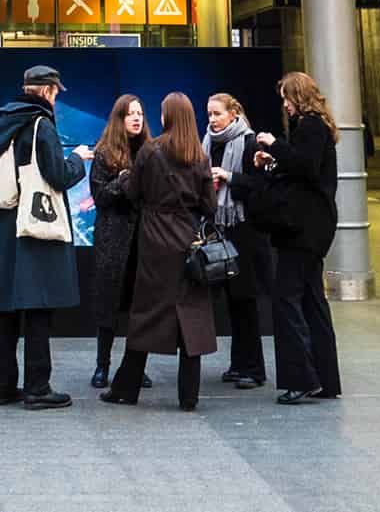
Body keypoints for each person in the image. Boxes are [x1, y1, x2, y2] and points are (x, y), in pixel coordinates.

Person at [0, 62, 89, 409]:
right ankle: (38, 388)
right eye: (56, 92)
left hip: (4, 223)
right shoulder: (41, 125)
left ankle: (3, 387)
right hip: (34, 227)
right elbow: (57, 174)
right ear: (48, 91)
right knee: (38, 306)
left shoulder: (4, 122)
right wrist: (77, 158)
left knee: (8, 310)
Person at [101, 91, 219, 410]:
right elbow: (210, 206)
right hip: (188, 243)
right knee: (191, 318)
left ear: (166, 117)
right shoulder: (199, 156)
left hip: (154, 243)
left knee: (145, 315)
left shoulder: (150, 151)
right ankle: (189, 396)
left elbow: (134, 192)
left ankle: (126, 388)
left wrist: (127, 180)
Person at [254, 70, 343, 404]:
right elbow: (304, 168)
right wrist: (275, 158)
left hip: (302, 230)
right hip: (314, 229)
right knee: (312, 301)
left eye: (287, 99)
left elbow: (304, 166)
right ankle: (324, 379)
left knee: (286, 299)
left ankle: (301, 378)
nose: (286, 107)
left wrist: (273, 144)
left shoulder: (310, 126)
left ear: (298, 97)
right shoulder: (319, 127)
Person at [206, 90, 271, 389]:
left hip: (245, 232)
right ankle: (238, 363)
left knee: (245, 301)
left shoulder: (249, 141)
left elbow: (260, 186)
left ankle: (254, 368)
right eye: (209, 114)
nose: (213, 120)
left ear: (233, 114)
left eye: (217, 114)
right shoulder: (208, 142)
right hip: (221, 230)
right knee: (233, 301)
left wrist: (229, 177)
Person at [86, 95, 145, 389]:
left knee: (139, 307)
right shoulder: (104, 153)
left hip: (143, 241)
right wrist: (122, 179)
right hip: (113, 238)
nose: (137, 118)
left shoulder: (150, 151)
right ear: (119, 119)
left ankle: (135, 365)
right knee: (108, 305)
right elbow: (100, 197)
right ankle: (102, 365)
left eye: (140, 113)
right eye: (130, 114)